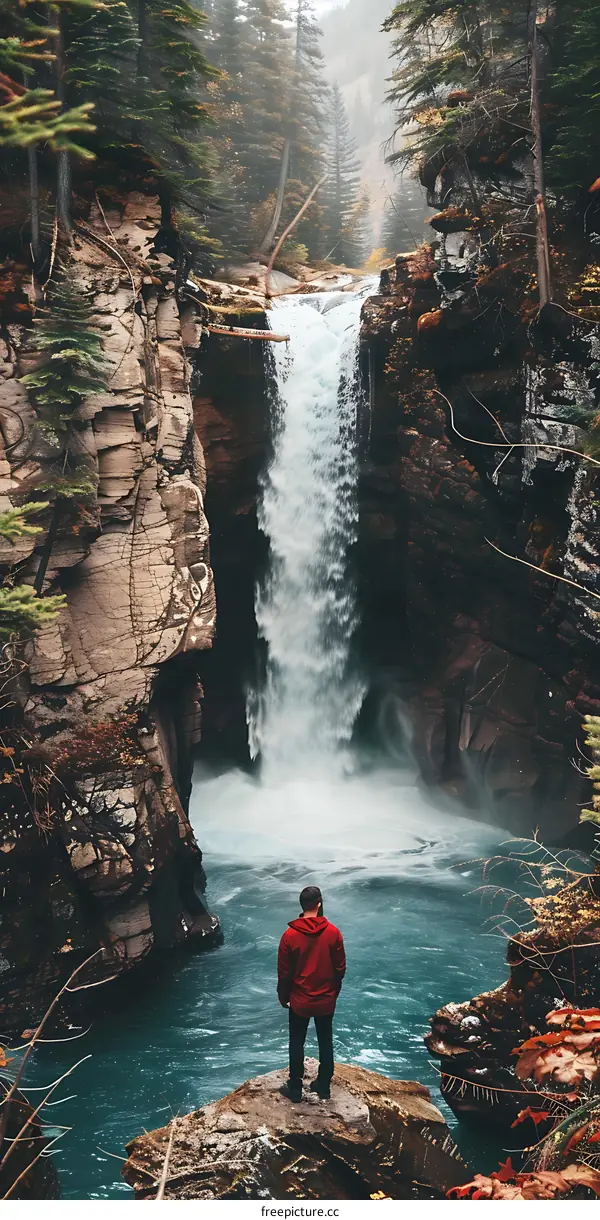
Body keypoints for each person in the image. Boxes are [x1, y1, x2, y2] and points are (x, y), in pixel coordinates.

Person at [277, 885, 346, 1102]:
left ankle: (295, 1088)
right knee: (325, 1040)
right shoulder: (333, 933)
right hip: (325, 1000)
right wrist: (333, 992)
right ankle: (323, 1086)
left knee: (296, 1041)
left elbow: (284, 973)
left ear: (301, 905)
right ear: (319, 904)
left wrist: (283, 996)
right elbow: (340, 968)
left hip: (300, 1000)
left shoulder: (289, 935)